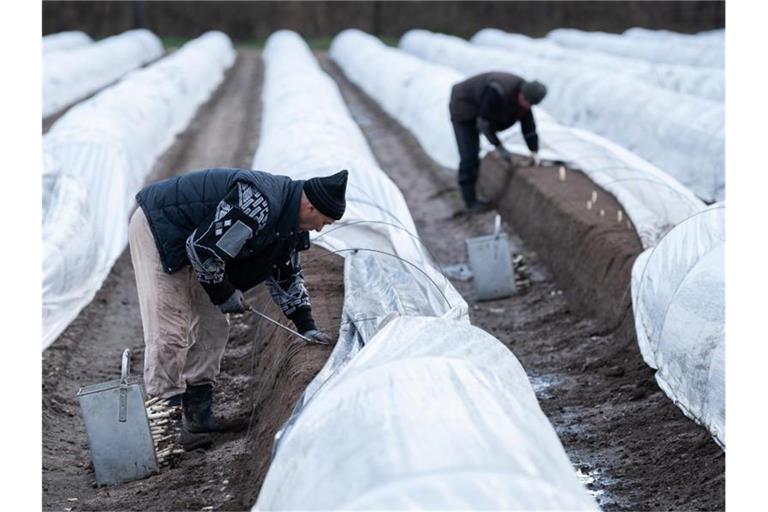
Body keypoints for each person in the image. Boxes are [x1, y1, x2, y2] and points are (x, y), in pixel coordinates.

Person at [129, 167, 348, 448]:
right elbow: (203, 248)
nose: (319, 229)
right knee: (170, 329)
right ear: (309, 205)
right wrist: (223, 292)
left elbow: (286, 272)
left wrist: (305, 324)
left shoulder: (289, 220)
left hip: (196, 242)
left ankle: (198, 413)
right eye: (323, 222)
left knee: (213, 324)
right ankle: (165, 429)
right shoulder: (258, 203)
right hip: (160, 226)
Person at [449, 72, 547, 211]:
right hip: (464, 107)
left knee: (473, 154)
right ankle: (470, 202)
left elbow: (529, 127)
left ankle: (473, 196)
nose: (526, 105)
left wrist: (534, 151)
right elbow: (483, 123)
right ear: (521, 93)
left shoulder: (526, 99)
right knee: (469, 156)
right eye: (525, 101)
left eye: (530, 104)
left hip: (482, 109)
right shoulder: (498, 90)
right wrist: (499, 147)